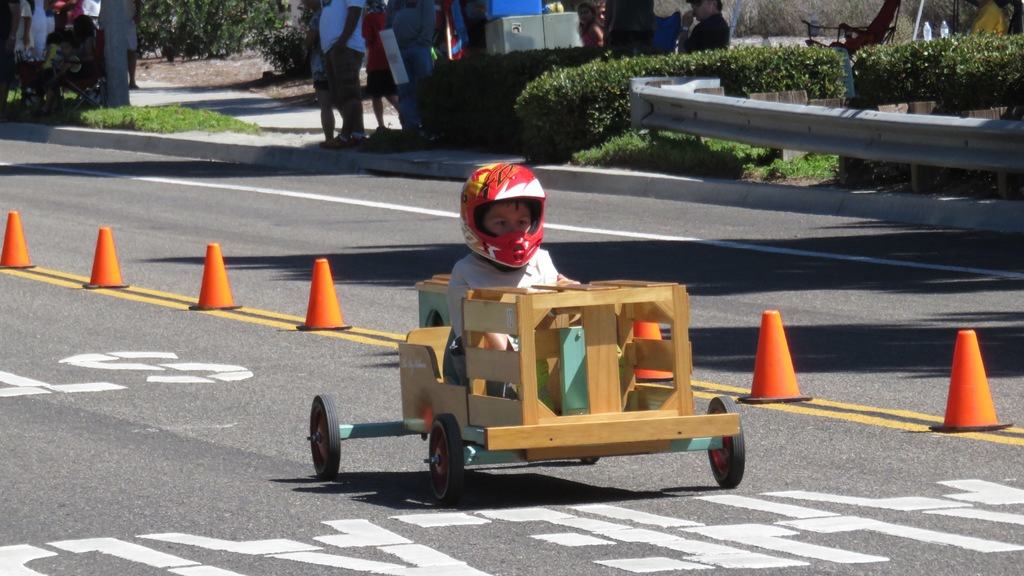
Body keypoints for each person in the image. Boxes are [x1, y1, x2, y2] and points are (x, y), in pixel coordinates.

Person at [443, 163, 574, 397]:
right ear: (475, 222)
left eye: (521, 223)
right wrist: (519, 362)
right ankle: (521, 389)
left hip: (537, 359)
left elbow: (560, 300)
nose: (514, 233)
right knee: (487, 324)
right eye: (502, 223)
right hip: (482, 371)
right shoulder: (466, 272)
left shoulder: (541, 261)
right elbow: (474, 330)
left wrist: (570, 291)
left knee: (584, 321)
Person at [319, 0, 366, 149]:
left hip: (345, 47)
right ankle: (358, 134)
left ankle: (345, 137)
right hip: (332, 48)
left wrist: (342, 41)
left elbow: (355, 11)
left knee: (349, 94)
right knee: (338, 96)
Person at [386, 0, 434, 133]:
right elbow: (388, 22)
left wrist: (422, 41)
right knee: (404, 91)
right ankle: (410, 129)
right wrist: (390, 46)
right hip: (397, 50)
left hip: (419, 47)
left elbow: (429, 20)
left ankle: (429, 126)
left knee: (425, 87)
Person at [362, 0, 398, 132]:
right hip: (391, 56)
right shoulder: (389, 14)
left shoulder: (369, 17)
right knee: (391, 92)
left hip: (376, 59)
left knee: (376, 95)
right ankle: (406, 117)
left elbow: (367, 41)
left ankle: (381, 125)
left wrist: (367, 63)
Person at [303, 0, 335, 142]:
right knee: (342, 102)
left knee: (325, 105)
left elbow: (309, 42)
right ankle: (350, 134)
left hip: (321, 67)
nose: (304, 3)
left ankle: (329, 138)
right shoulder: (334, 13)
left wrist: (305, 42)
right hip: (337, 62)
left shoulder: (318, 16)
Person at [1, 0, 22, 122]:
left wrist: (12, 36)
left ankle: (1, 111)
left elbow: (16, 13)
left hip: (4, 39)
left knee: (3, 76)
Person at [127, 0, 141, 89]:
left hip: (128, 18)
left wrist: (138, 13)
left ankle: (132, 80)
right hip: (110, 19)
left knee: (131, 50)